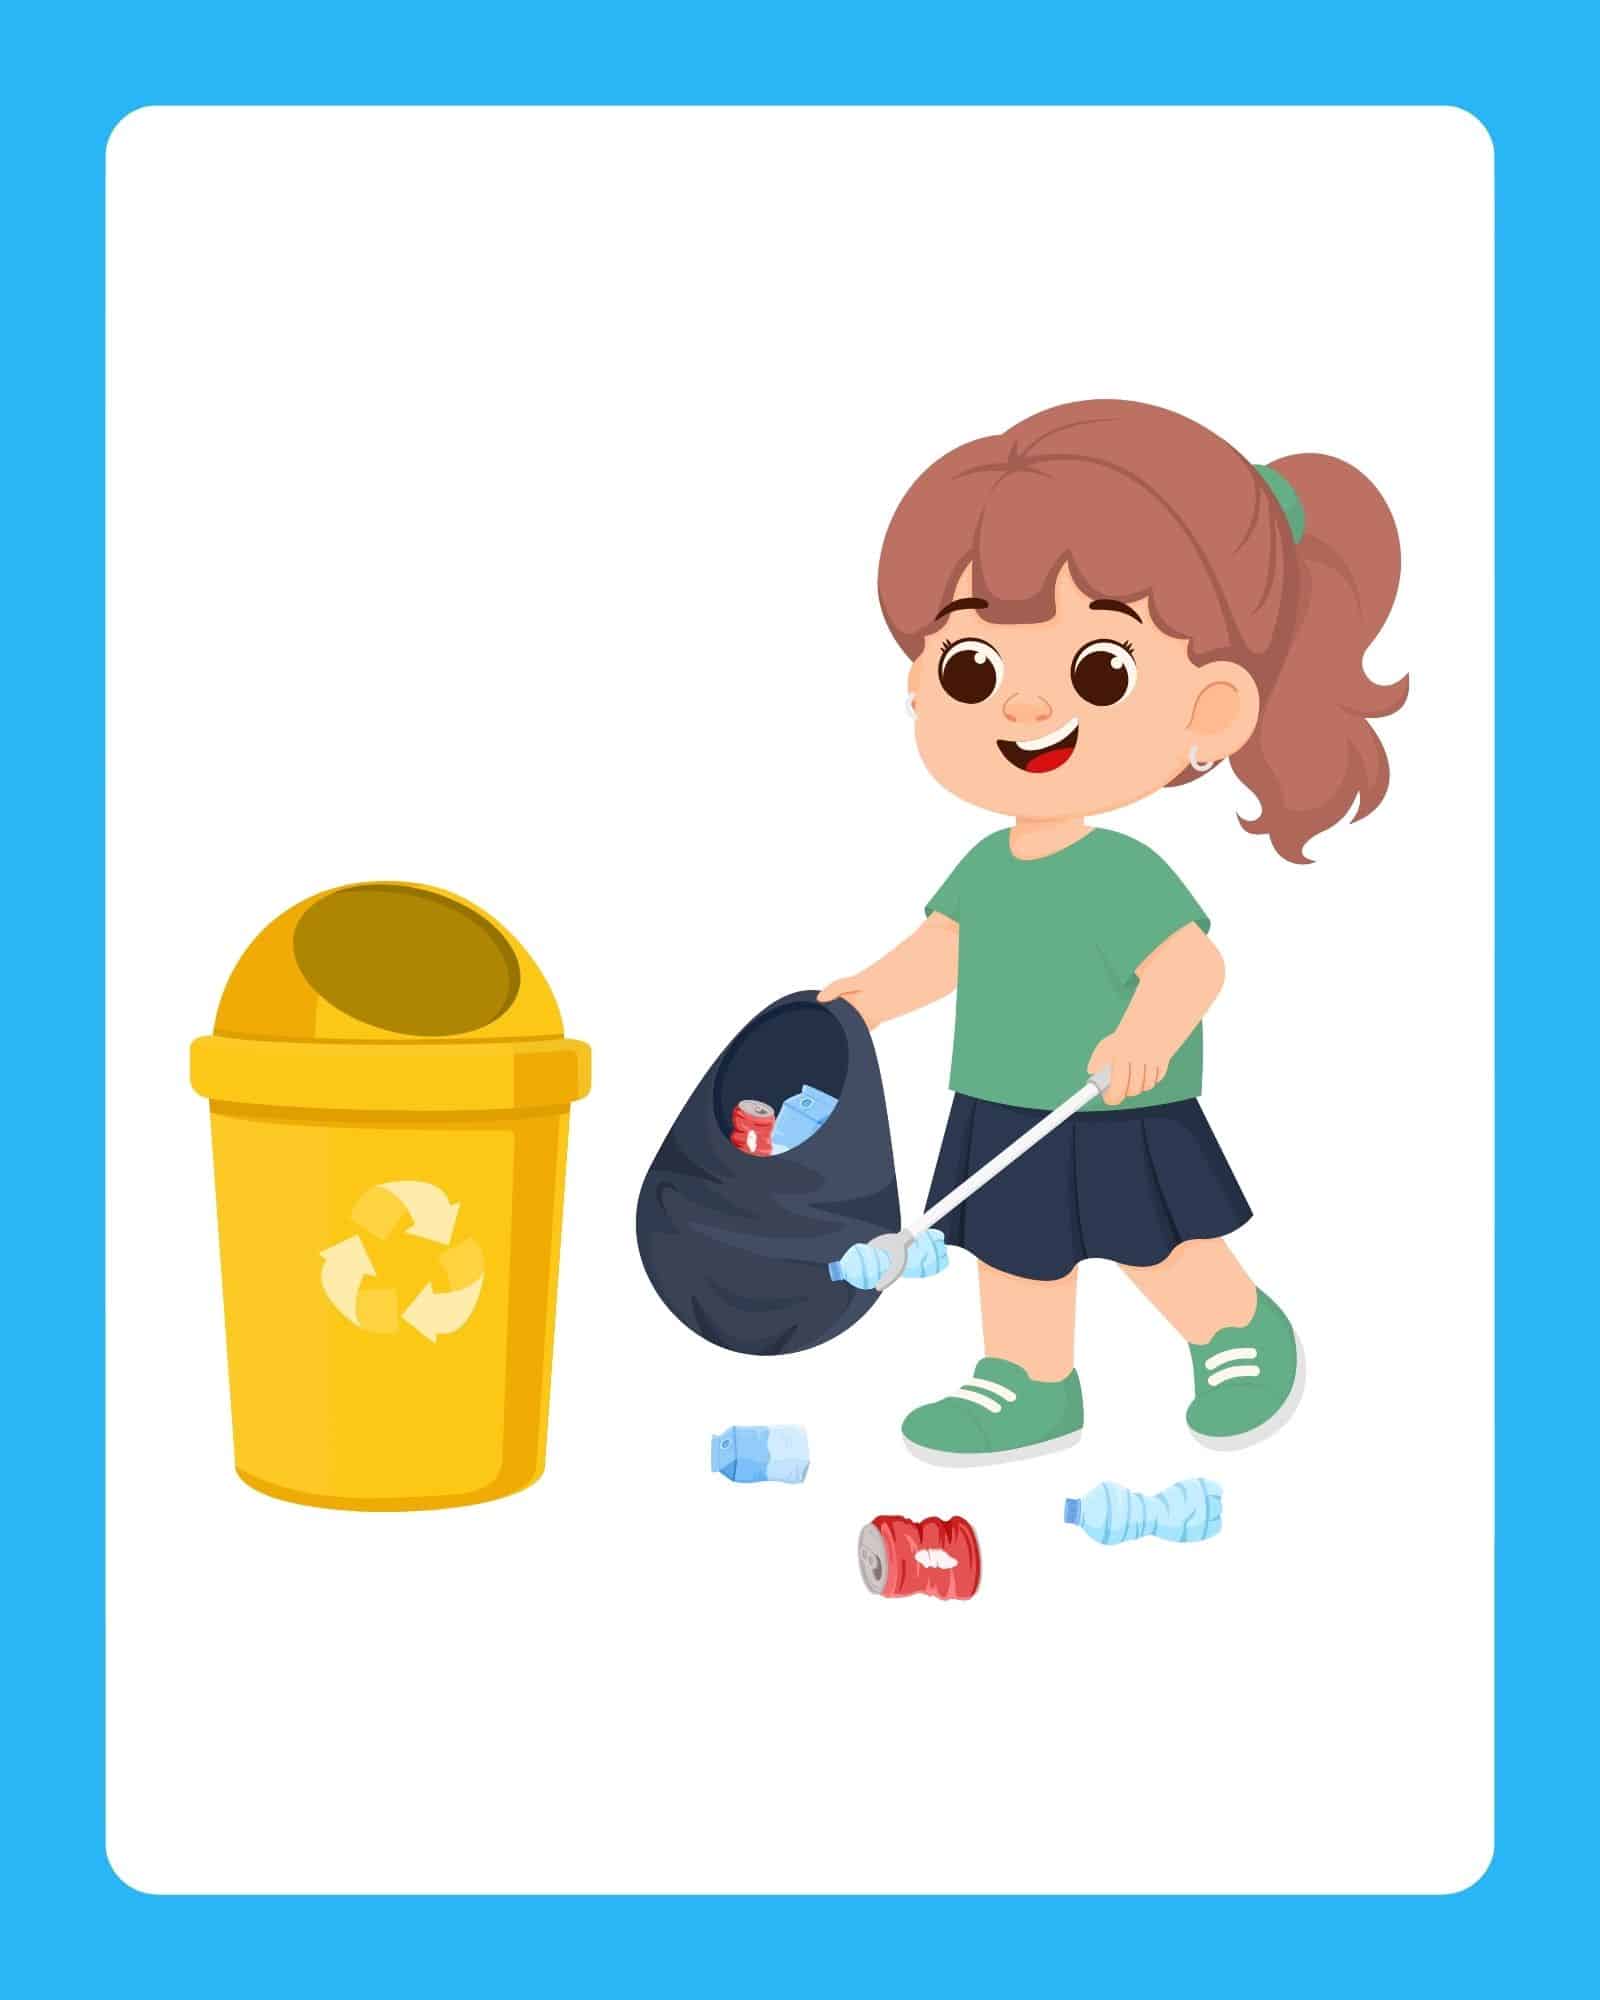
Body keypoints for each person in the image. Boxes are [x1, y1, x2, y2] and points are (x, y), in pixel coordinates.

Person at [820, 399, 1402, 1464]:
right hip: (1000, 1094)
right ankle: (1028, 1380)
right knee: (1013, 1250)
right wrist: (863, 998)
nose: (1023, 708)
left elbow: (1193, 962)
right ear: (920, 684)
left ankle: (1234, 1329)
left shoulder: (1121, 870)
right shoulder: (986, 864)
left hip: (1116, 1098)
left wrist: (1147, 1031)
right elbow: (945, 947)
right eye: (972, 668)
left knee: (1158, 1240)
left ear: (1211, 708)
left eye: (1099, 669)